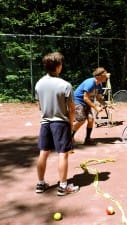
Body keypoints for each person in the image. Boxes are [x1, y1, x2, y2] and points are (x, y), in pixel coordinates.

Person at [35, 52, 79, 196]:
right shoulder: (65, 85)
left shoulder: (39, 83)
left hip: (45, 122)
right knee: (63, 154)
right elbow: (72, 110)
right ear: (59, 66)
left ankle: (40, 184)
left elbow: (40, 107)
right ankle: (63, 186)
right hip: (60, 123)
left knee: (43, 152)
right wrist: (70, 125)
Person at [72, 67, 109, 144]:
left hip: (87, 102)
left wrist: (106, 105)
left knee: (90, 120)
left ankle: (87, 139)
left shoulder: (99, 84)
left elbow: (98, 98)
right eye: (105, 75)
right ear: (99, 76)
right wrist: (96, 107)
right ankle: (69, 136)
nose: (107, 77)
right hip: (78, 101)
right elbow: (85, 98)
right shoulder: (90, 83)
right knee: (81, 120)